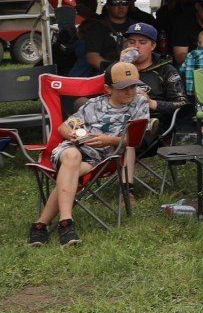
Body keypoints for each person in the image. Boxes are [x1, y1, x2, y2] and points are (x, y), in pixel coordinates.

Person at [28, 60, 150, 248]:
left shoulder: (139, 104)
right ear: (108, 88)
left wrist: (110, 140)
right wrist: (72, 135)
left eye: (133, 86)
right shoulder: (93, 105)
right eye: (123, 88)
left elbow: (136, 139)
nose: (130, 92)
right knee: (72, 157)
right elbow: (63, 126)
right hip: (71, 150)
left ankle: (40, 225)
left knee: (72, 175)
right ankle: (65, 223)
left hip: (99, 160)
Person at [122, 22, 187, 149]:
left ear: (152, 46)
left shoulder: (166, 70)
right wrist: (120, 65)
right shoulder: (119, 67)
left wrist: (151, 103)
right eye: (131, 42)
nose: (136, 47)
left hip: (151, 123)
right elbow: (103, 96)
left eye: (142, 42)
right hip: (117, 117)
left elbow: (183, 104)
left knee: (129, 139)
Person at [71, 0, 117, 76]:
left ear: (88, 7)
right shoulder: (95, 22)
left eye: (79, 5)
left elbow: (88, 54)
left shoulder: (93, 26)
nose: (75, 8)